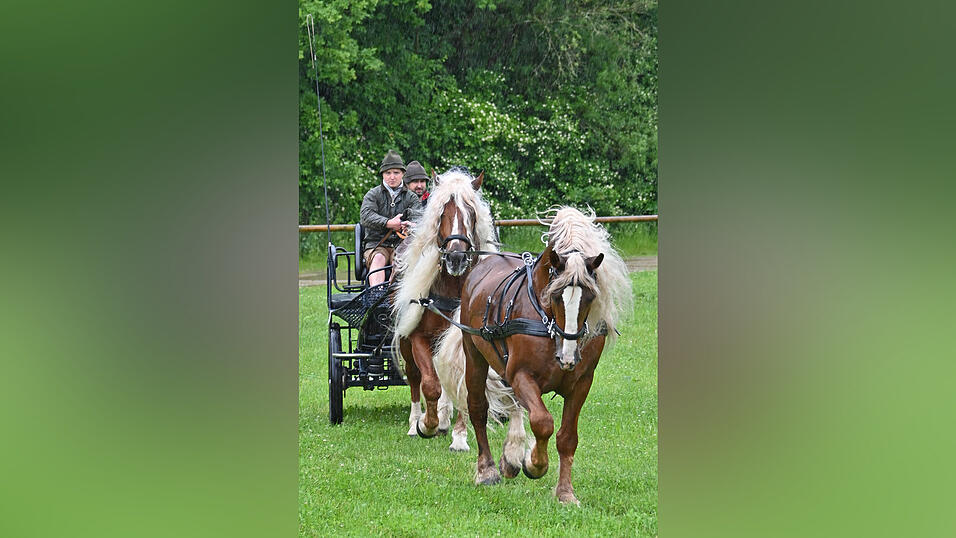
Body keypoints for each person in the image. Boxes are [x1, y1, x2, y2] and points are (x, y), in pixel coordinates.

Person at [360, 150, 422, 286]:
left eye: (396, 173)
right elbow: (366, 216)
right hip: (377, 244)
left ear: (403, 174)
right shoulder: (373, 194)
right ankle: (376, 293)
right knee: (378, 258)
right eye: (388, 173)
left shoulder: (411, 197)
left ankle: (397, 294)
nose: (392, 177)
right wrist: (389, 223)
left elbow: (419, 219)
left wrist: (410, 225)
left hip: (402, 244)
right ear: (383, 174)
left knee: (402, 260)